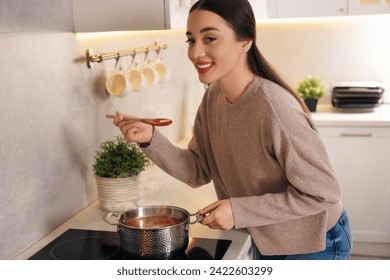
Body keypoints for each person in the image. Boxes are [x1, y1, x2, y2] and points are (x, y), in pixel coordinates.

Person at [111, 0, 352, 260]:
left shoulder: (276, 110)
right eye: (191, 41)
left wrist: (238, 211)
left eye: (210, 38)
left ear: (245, 41)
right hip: (265, 235)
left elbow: (323, 195)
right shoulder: (213, 97)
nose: (195, 53)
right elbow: (198, 170)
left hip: (314, 242)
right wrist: (150, 139)